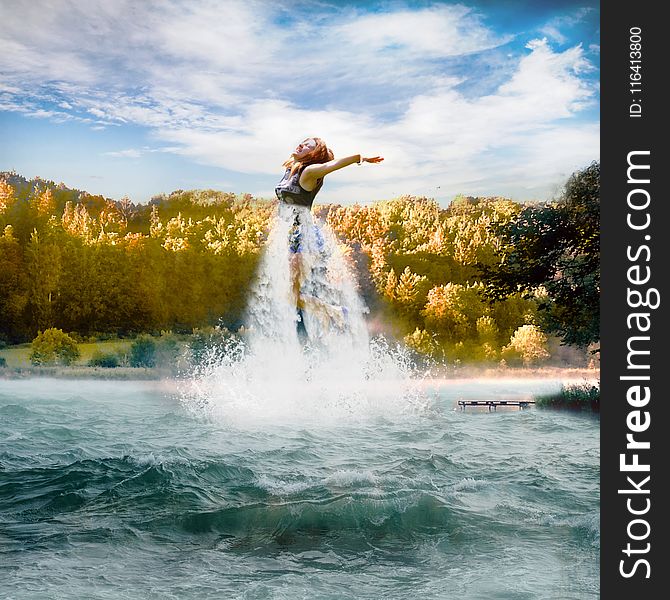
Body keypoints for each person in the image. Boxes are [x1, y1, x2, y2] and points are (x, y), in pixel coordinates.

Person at [274, 137, 383, 335]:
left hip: (307, 238)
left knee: (290, 293)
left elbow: (333, 164)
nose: (301, 145)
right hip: (293, 237)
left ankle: (333, 311)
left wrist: (360, 158)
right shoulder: (291, 168)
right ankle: (333, 311)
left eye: (309, 146)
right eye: (303, 142)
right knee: (288, 295)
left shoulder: (309, 172)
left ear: (314, 156)